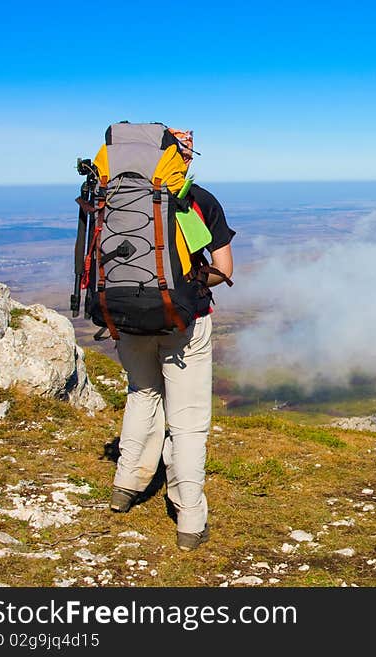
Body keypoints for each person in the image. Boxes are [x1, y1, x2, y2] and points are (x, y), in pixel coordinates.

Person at [108, 128, 235, 551]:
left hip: (125, 316)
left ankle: (125, 485)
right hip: (185, 321)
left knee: (142, 394)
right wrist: (194, 276)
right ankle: (190, 518)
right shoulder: (194, 199)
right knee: (188, 420)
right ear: (179, 157)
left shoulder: (112, 195)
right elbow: (224, 268)